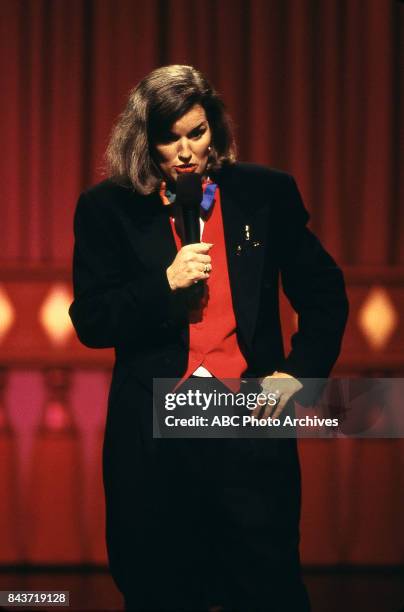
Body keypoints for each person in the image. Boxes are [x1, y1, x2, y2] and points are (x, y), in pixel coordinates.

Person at [69, 64, 349, 611]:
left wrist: (299, 374)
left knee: (270, 593)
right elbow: (92, 320)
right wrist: (162, 284)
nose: (186, 151)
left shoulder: (267, 194)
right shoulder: (106, 209)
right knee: (160, 593)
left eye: (196, 133)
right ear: (145, 141)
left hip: (247, 427)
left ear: (214, 129)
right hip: (156, 442)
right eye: (169, 138)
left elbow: (325, 295)